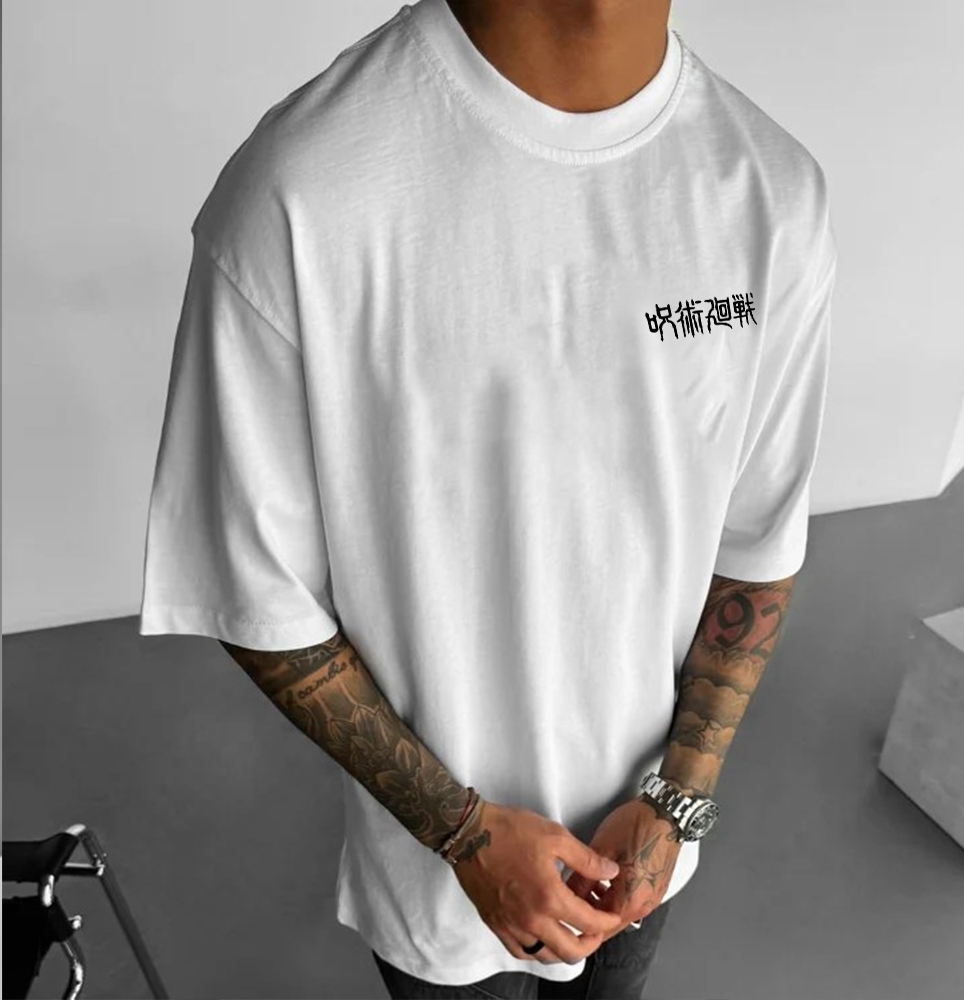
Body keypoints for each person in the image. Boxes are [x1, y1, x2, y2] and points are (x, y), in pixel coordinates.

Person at [138, 0, 837, 996]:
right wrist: (461, 832)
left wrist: (677, 802)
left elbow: (756, 538)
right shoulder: (303, 190)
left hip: (646, 842)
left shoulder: (772, 191)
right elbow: (256, 592)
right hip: (437, 880)